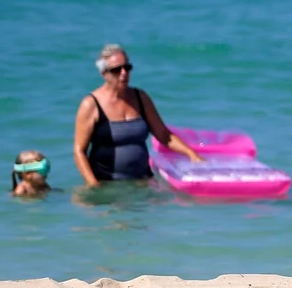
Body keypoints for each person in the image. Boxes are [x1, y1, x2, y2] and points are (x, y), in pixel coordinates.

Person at [71, 45, 203, 186]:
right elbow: (79, 151)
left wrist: (191, 154)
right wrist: (94, 185)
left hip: (142, 180)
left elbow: (164, 135)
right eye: (117, 70)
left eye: (127, 68)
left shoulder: (141, 98)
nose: (123, 73)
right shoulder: (91, 104)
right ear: (104, 73)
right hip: (107, 184)